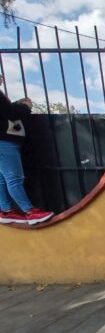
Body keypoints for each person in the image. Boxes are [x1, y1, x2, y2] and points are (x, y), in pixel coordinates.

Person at [0, 75, 54, 225]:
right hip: (5, 142)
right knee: (14, 178)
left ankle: (6, 210)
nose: (2, 78)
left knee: (3, 178)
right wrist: (25, 107)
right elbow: (10, 113)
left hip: (4, 142)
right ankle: (29, 211)